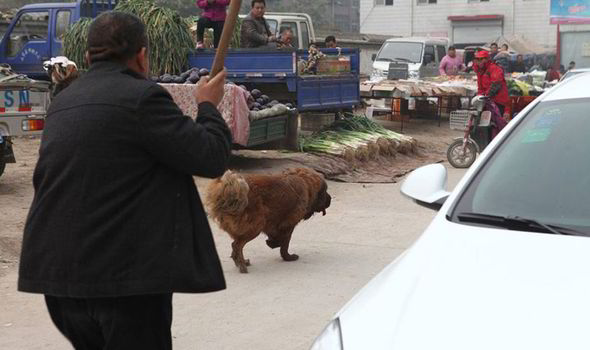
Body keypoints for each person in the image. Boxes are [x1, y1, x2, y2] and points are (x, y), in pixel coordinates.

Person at [18, 11, 232, 349]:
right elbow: (210, 158)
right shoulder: (143, 98)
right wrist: (207, 107)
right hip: (121, 285)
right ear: (143, 56)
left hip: (60, 282)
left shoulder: (63, 102)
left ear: (88, 57)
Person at [473, 50, 510, 117]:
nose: (479, 61)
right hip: (488, 100)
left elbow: (496, 85)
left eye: (481, 59)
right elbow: (480, 87)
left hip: (498, 100)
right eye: (477, 59)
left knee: (497, 121)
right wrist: (479, 97)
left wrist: (485, 96)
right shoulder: (480, 71)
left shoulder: (494, 68)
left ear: (487, 59)